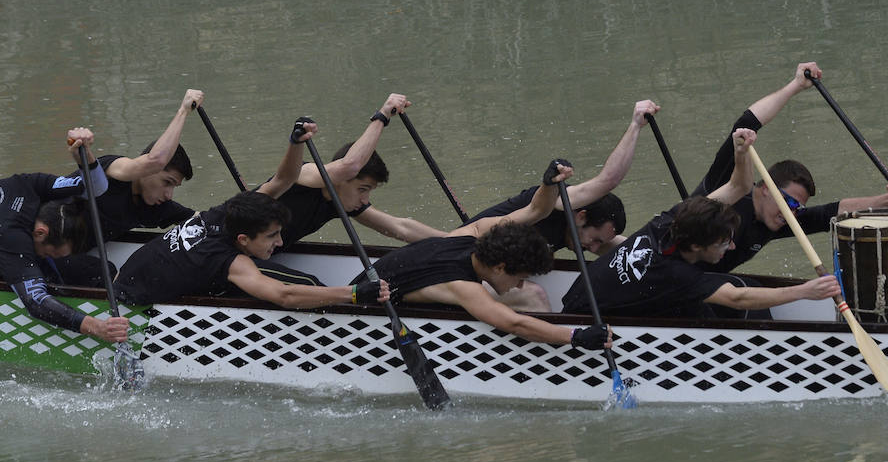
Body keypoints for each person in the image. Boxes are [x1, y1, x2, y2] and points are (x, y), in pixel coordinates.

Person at [562, 129, 842, 318]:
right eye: (723, 242)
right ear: (696, 245)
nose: (732, 245)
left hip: (580, 292)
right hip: (585, 317)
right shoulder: (677, 273)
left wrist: (741, 152)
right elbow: (737, 299)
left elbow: (738, 186)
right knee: (714, 308)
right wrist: (804, 292)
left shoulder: (670, 219)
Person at [114, 121, 390, 309]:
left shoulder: (224, 211)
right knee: (307, 285)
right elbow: (284, 295)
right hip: (129, 307)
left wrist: (296, 142)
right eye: (272, 236)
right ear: (243, 239)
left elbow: (283, 179)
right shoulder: (229, 260)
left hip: (126, 277)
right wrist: (352, 294)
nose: (281, 243)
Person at [352, 159, 613, 350]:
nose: (520, 285)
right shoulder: (462, 286)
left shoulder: (474, 233)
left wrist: (549, 185)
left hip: (375, 289)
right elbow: (514, 324)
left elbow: (534, 211)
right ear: (499, 267)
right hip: (360, 319)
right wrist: (575, 336)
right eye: (519, 278)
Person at [694, 62, 888, 273]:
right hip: (671, 277)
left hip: (704, 285)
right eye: (790, 202)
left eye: (796, 207)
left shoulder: (776, 219)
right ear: (766, 189)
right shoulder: (723, 188)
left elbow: (828, 213)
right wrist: (796, 85)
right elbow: (746, 122)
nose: (791, 212)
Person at [462, 99, 659, 309]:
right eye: (595, 240)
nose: (594, 248)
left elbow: (632, 249)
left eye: (598, 244)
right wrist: (635, 125)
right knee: (534, 296)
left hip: (494, 273)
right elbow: (608, 181)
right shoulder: (556, 201)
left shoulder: (579, 233)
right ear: (580, 216)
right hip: (461, 269)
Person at [45, 89, 203, 286]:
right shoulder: (112, 171)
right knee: (110, 273)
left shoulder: (156, 205)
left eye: (174, 187)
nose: (168, 195)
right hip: (36, 242)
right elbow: (155, 160)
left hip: (71, 253)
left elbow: (206, 219)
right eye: (167, 182)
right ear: (149, 170)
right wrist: (183, 110)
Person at [0, 128, 129, 343]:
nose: (56, 256)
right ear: (41, 233)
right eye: (53, 252)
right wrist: (97, 328)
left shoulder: (29, 184)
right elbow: (36, 302)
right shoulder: (11, 237)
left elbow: (94, 188)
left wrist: (83, 153)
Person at [275, 93, 446, 249]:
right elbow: (349, 166)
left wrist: (456, 240)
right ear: (340, 180)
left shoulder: (343, 200)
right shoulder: (303, 174)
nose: (365, 200)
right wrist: (383, 116)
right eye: (362, 189)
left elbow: (399, 228)